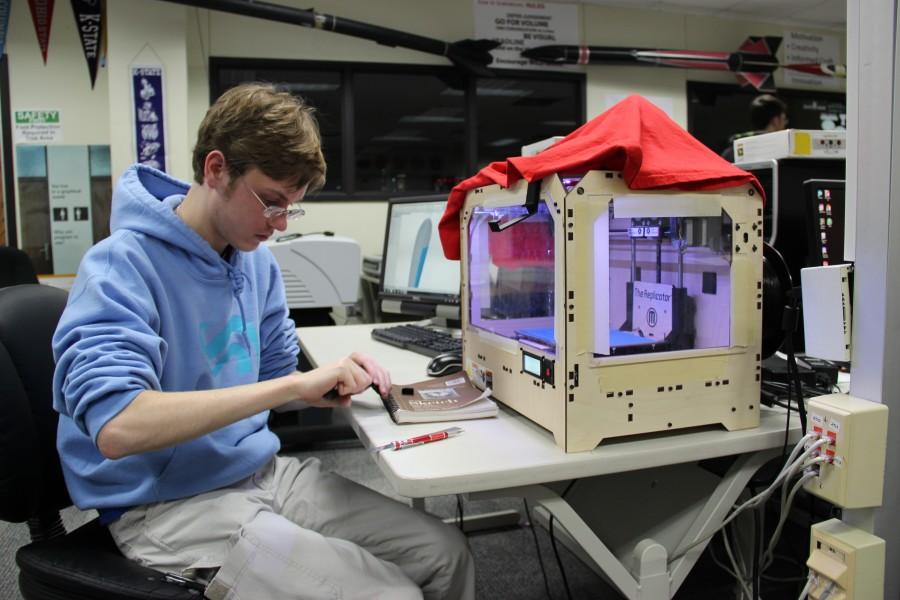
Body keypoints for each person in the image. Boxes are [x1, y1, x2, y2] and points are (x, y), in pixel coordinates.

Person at [52, 83, 474, 600]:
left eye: (290, 208)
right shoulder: (122, 265)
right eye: (271, 202)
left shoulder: (256, 263)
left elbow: (279, 377)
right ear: (216, 170)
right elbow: (118, 427)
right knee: (392, 595)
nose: (278, 224)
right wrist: (288, 388)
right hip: (166, 504)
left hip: (260, 472)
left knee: (444, 555)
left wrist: (326, 382)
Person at [720, 94, 788, 162]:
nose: (785, 123)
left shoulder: (731, 151)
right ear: (775, 120)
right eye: (784, 119)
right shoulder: (783, 152)